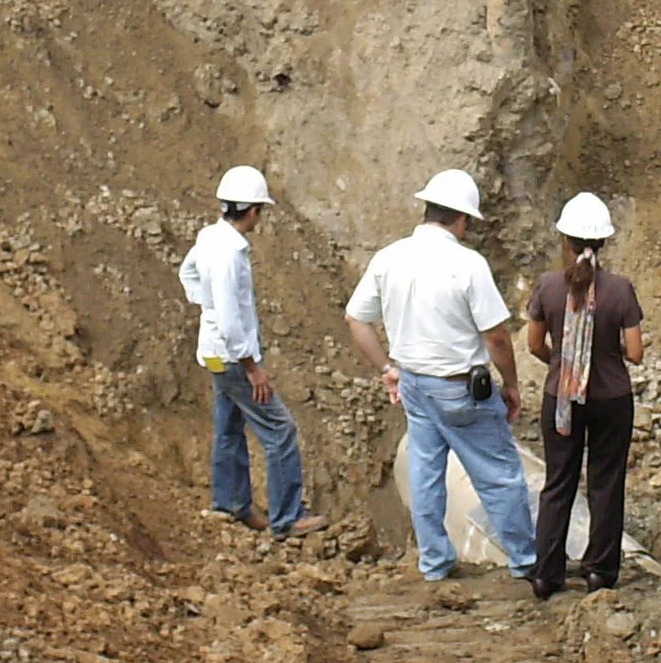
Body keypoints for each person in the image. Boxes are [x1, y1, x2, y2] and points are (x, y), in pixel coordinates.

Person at [343, 169, 537, 585]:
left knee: (425, 472)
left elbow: (356, 320)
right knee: (498, 473)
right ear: (462, 220)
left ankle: (434, 562)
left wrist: (387, 370)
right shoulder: (467, 264)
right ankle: (525, 560)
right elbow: (497, 337)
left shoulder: (389, 258)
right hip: (460, 388)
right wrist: (512, 383)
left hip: (414, 382)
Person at [177, 165, 327, 540]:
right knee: (280, 429)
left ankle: (231, 504)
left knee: (228, 426)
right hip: (231, 356)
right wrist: (252, 367)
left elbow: (187, 274)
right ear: (254, 210)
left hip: (212, 353)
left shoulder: (209, 237)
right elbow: (230, 321)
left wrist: (205, 305)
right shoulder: (229, 254)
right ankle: (287, 517)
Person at [523, 192, 645, 599]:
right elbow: (636, 352)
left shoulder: (547, 286)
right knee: (606, 483)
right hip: (612, 398)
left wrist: (563, 365)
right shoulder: (621, 289)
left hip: (560, 396)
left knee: (559, 482)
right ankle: (599, 571)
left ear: (565, 239)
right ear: (605, 242)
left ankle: (546, 574)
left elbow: (534, 344)